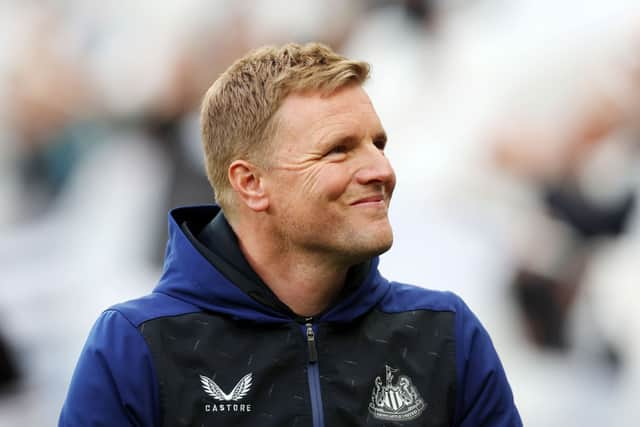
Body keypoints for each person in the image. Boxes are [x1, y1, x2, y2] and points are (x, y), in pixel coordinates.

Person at [59, 42, 521, 426]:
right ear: (251, 183)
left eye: (378, 144)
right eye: (338, 151)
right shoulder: (135, 347)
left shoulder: (444, 333)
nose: (381, 170)